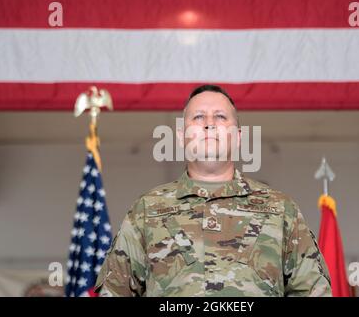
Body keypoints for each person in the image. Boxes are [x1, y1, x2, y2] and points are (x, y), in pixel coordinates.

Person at [94, 84, 332, 296]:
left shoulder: (281, 210)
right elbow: (113, 291)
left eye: (220, 117)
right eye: (198, 117)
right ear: (180, 137)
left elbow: (313, 291)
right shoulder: (146, 210)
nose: (209, 124)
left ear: (238, 137)